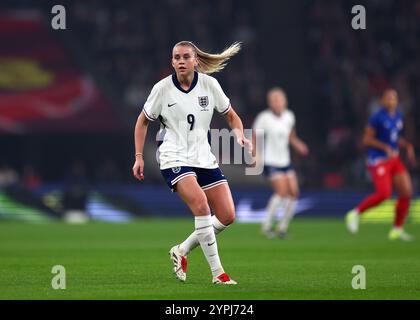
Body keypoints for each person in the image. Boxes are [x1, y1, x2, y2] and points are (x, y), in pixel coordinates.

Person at [132, 41, 252, 285]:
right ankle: (218, 273)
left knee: (228, 215)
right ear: (172, 62)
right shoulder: (162, 89)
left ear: (196, 60)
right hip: (173, 156)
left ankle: (181, 250)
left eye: (186, 56)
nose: (181, 61)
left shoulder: (209, 85)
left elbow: (231, 116)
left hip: (203, 156)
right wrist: (139, 157)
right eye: (177, 57)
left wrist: (239, 133)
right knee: (201, 207)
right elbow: (142, 121)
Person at [346, 88, 417, 240]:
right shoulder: (376, 118)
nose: (392, 101)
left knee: (406, 192)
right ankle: (355, 213)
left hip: (394, 159)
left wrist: (407, 146)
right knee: (384, 194)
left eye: (394, 98)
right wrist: (384, 147)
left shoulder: (398, 116)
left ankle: (397, 229)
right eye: (388, 98)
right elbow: (366, 139)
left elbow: (394, 137)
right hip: (378, 160)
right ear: (382, 101)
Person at [252, 87, 309, 239]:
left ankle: (282, 227)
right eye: (273, 100)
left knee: (294, 193)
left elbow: (291, 136)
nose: (276, 103)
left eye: (278, 99)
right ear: (270, 103)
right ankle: (266, 226)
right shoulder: (264, 117)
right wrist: (255, 155)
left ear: (284, 101)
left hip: (285, 160)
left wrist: (298, 145)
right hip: (270, 160)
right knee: (282, 192)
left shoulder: (289, 116)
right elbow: (254, 136)